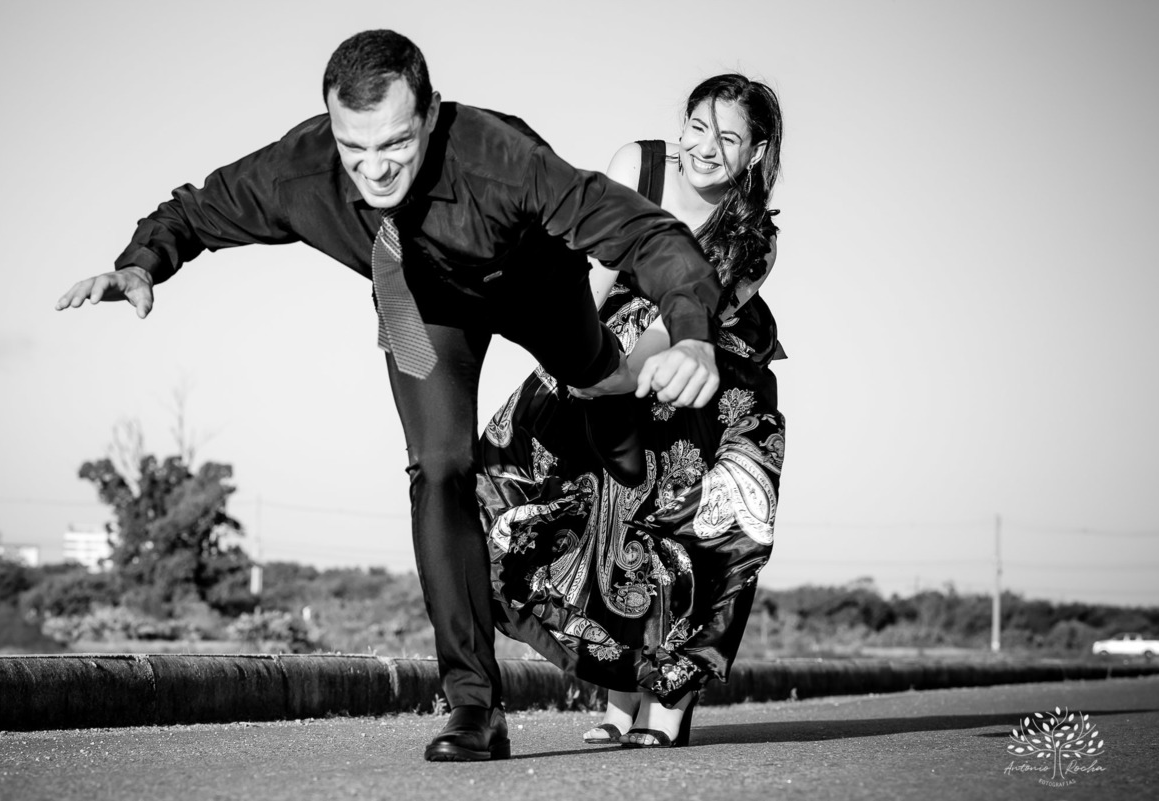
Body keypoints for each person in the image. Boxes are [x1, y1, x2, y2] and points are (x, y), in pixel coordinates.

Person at [53, 30, 728, 762]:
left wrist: (690, 331)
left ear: (431, 114)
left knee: (604, 396)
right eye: (355, 148)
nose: (375, 168)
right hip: (422, 307)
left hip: (535, 285)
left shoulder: (503, 162)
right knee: (437, 468)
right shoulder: (299, 171)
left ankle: (617, 419)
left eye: (396, 145)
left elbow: (645, 231)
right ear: (332, 129)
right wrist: (141, 262)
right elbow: (198, 208)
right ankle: (475, 706)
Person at [476, 73, 785, 748]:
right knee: (534, 480)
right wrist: (584, 365)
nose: (706, 148)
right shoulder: (636, 166)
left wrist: (622, 377)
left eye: (729, 138)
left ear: (756, 154)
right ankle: (618, 699)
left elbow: (683, 325)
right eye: (698, 127)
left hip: (699, 369)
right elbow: (592, 282)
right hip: (609, 336)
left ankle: (669, 705)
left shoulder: (752, 237)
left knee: (671, 527)